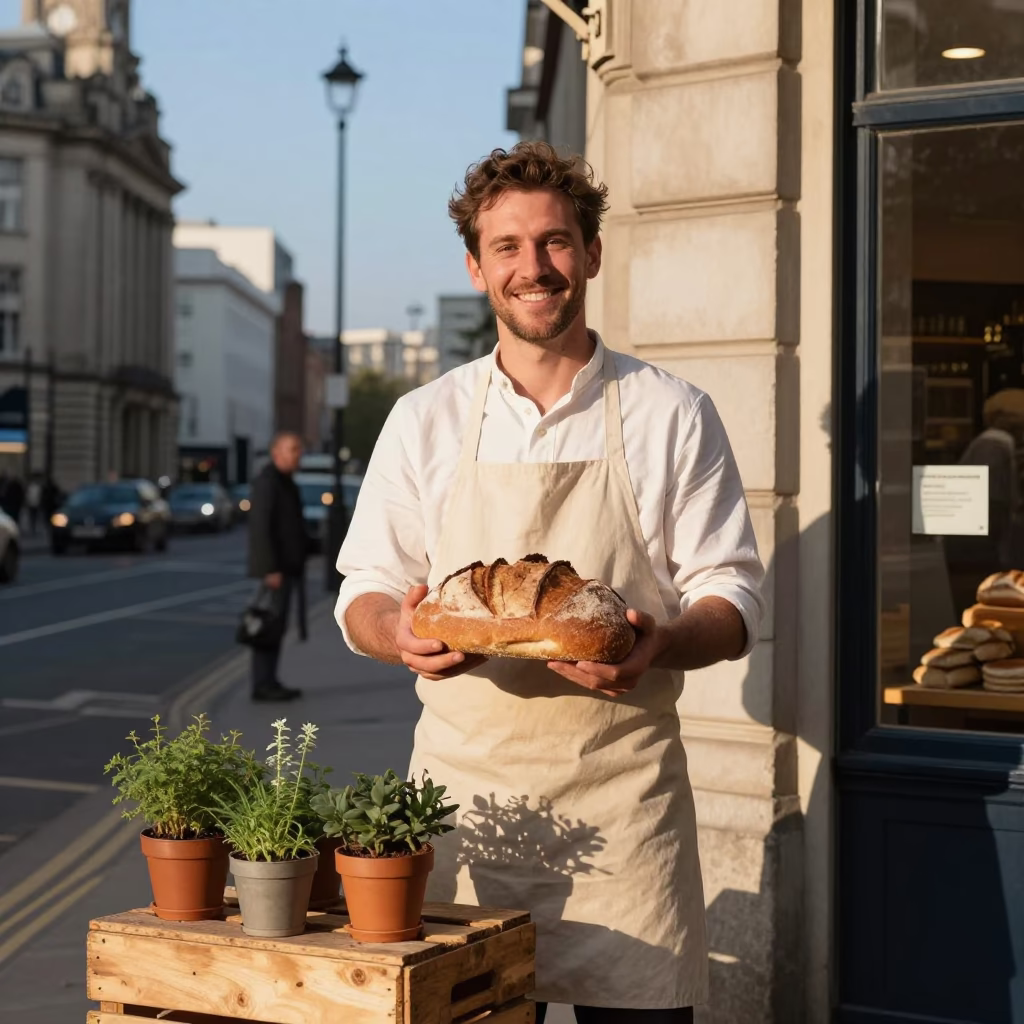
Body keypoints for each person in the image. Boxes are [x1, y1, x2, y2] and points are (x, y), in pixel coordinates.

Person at [335, 142, 764, 1022]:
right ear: (476, 266)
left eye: (556, 242)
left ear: (593, 254)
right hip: (465, 809)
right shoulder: (425, 419)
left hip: (624, 813)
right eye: (508, 247)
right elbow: (365, 590)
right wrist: (400, 634)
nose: (534, 268)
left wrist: (667, 642)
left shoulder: (670, 412)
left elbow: (735, 596)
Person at [247, 431, 307, 702]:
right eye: (292, 449)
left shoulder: (285, 482)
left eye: (298, 449)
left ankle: (269, 680)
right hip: (276, 570)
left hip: (286, 568)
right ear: (276, 453)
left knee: (276, 626)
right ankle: (262, 684)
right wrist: (269, 569)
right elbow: (260, 528)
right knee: (267, 626)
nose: (298, 455)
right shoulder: (268, 482)